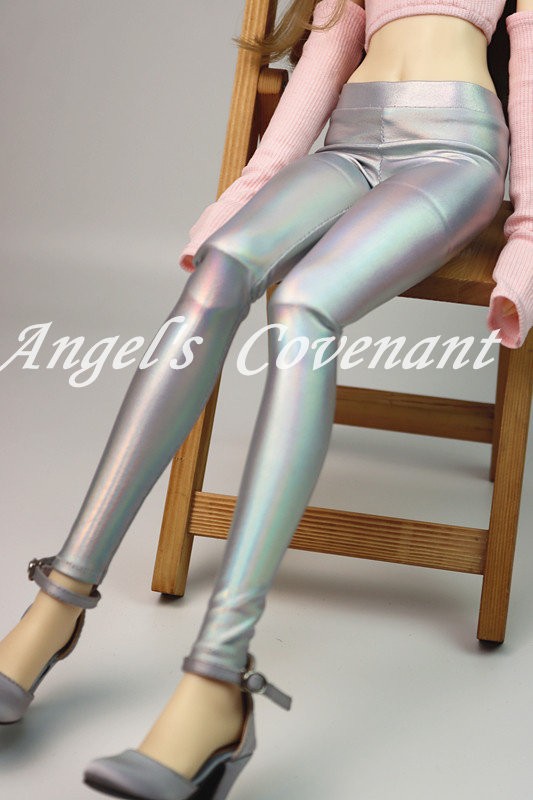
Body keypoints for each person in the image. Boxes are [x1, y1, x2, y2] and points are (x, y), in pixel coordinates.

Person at [0, 1, 532, 799]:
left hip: (453, 153)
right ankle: (55, 606)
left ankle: (217, 681)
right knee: (219, 275)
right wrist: (229, 222)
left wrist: (525, 247)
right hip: (348, 143)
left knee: (304, 304)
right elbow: (301, 106)